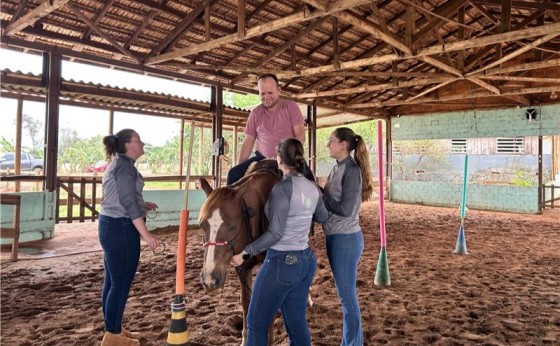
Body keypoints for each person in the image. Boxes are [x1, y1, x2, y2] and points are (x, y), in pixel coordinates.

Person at [231, 138, 328, 346]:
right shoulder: (312, 188)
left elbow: (275, 233)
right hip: (306, 261)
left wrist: (245, 253)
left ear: (279, 160)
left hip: (281, 261)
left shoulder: (282, 190)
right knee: (297, 324)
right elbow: (321, 217)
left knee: (256, 324)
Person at [98, 129, 160, 346]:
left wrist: (143, 204)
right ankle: (113, 336)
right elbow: (128, 204)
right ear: (127, 145)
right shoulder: (125, 167)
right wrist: (147, 235)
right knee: (121, 284)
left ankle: (113, 328)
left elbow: (122, 198)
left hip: (110, 225)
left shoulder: (121, 164)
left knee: (112, 282)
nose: (142, 143)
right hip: (121, 228)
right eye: (138, 140)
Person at [322, 127, 374, 346]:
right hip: (336, 237)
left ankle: (353, 343)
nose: (328, 144)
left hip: (345, 239)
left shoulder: (351, 171)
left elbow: (347, 209)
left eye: (331, 140)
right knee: (344, 295)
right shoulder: (338, 168)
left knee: (347, 297)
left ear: (344, 144)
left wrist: (321, 197)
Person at [227, 73, 313, 184]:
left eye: (270, 93)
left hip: (288, 158)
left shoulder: (291, 107)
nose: (266, 97)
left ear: (279, 90)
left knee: (312, 182)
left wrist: (287, 156)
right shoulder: (255, 113)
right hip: (262, 157)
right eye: (262, 93)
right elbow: (248, 142)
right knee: (232, 174)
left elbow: (300, 136)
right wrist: (240, 167)